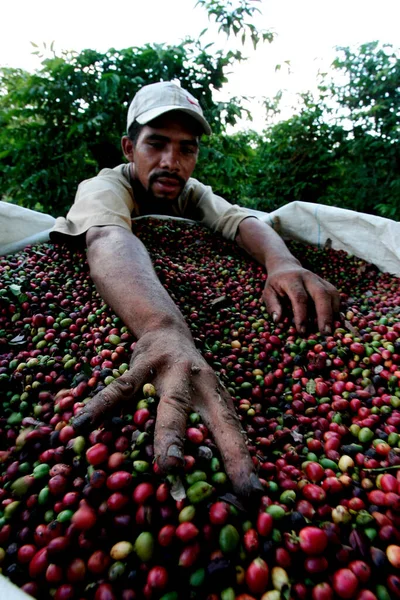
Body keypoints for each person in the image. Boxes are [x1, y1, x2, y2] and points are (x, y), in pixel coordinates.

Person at [51, 81, 339, 497]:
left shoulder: (189, 195)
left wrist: (282, 263)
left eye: (187, 148)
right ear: (129, 149)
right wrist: (161, 328)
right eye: (157, 144)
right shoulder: (106, 187)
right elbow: (109, 240)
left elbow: (241, 222)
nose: (172, 161)